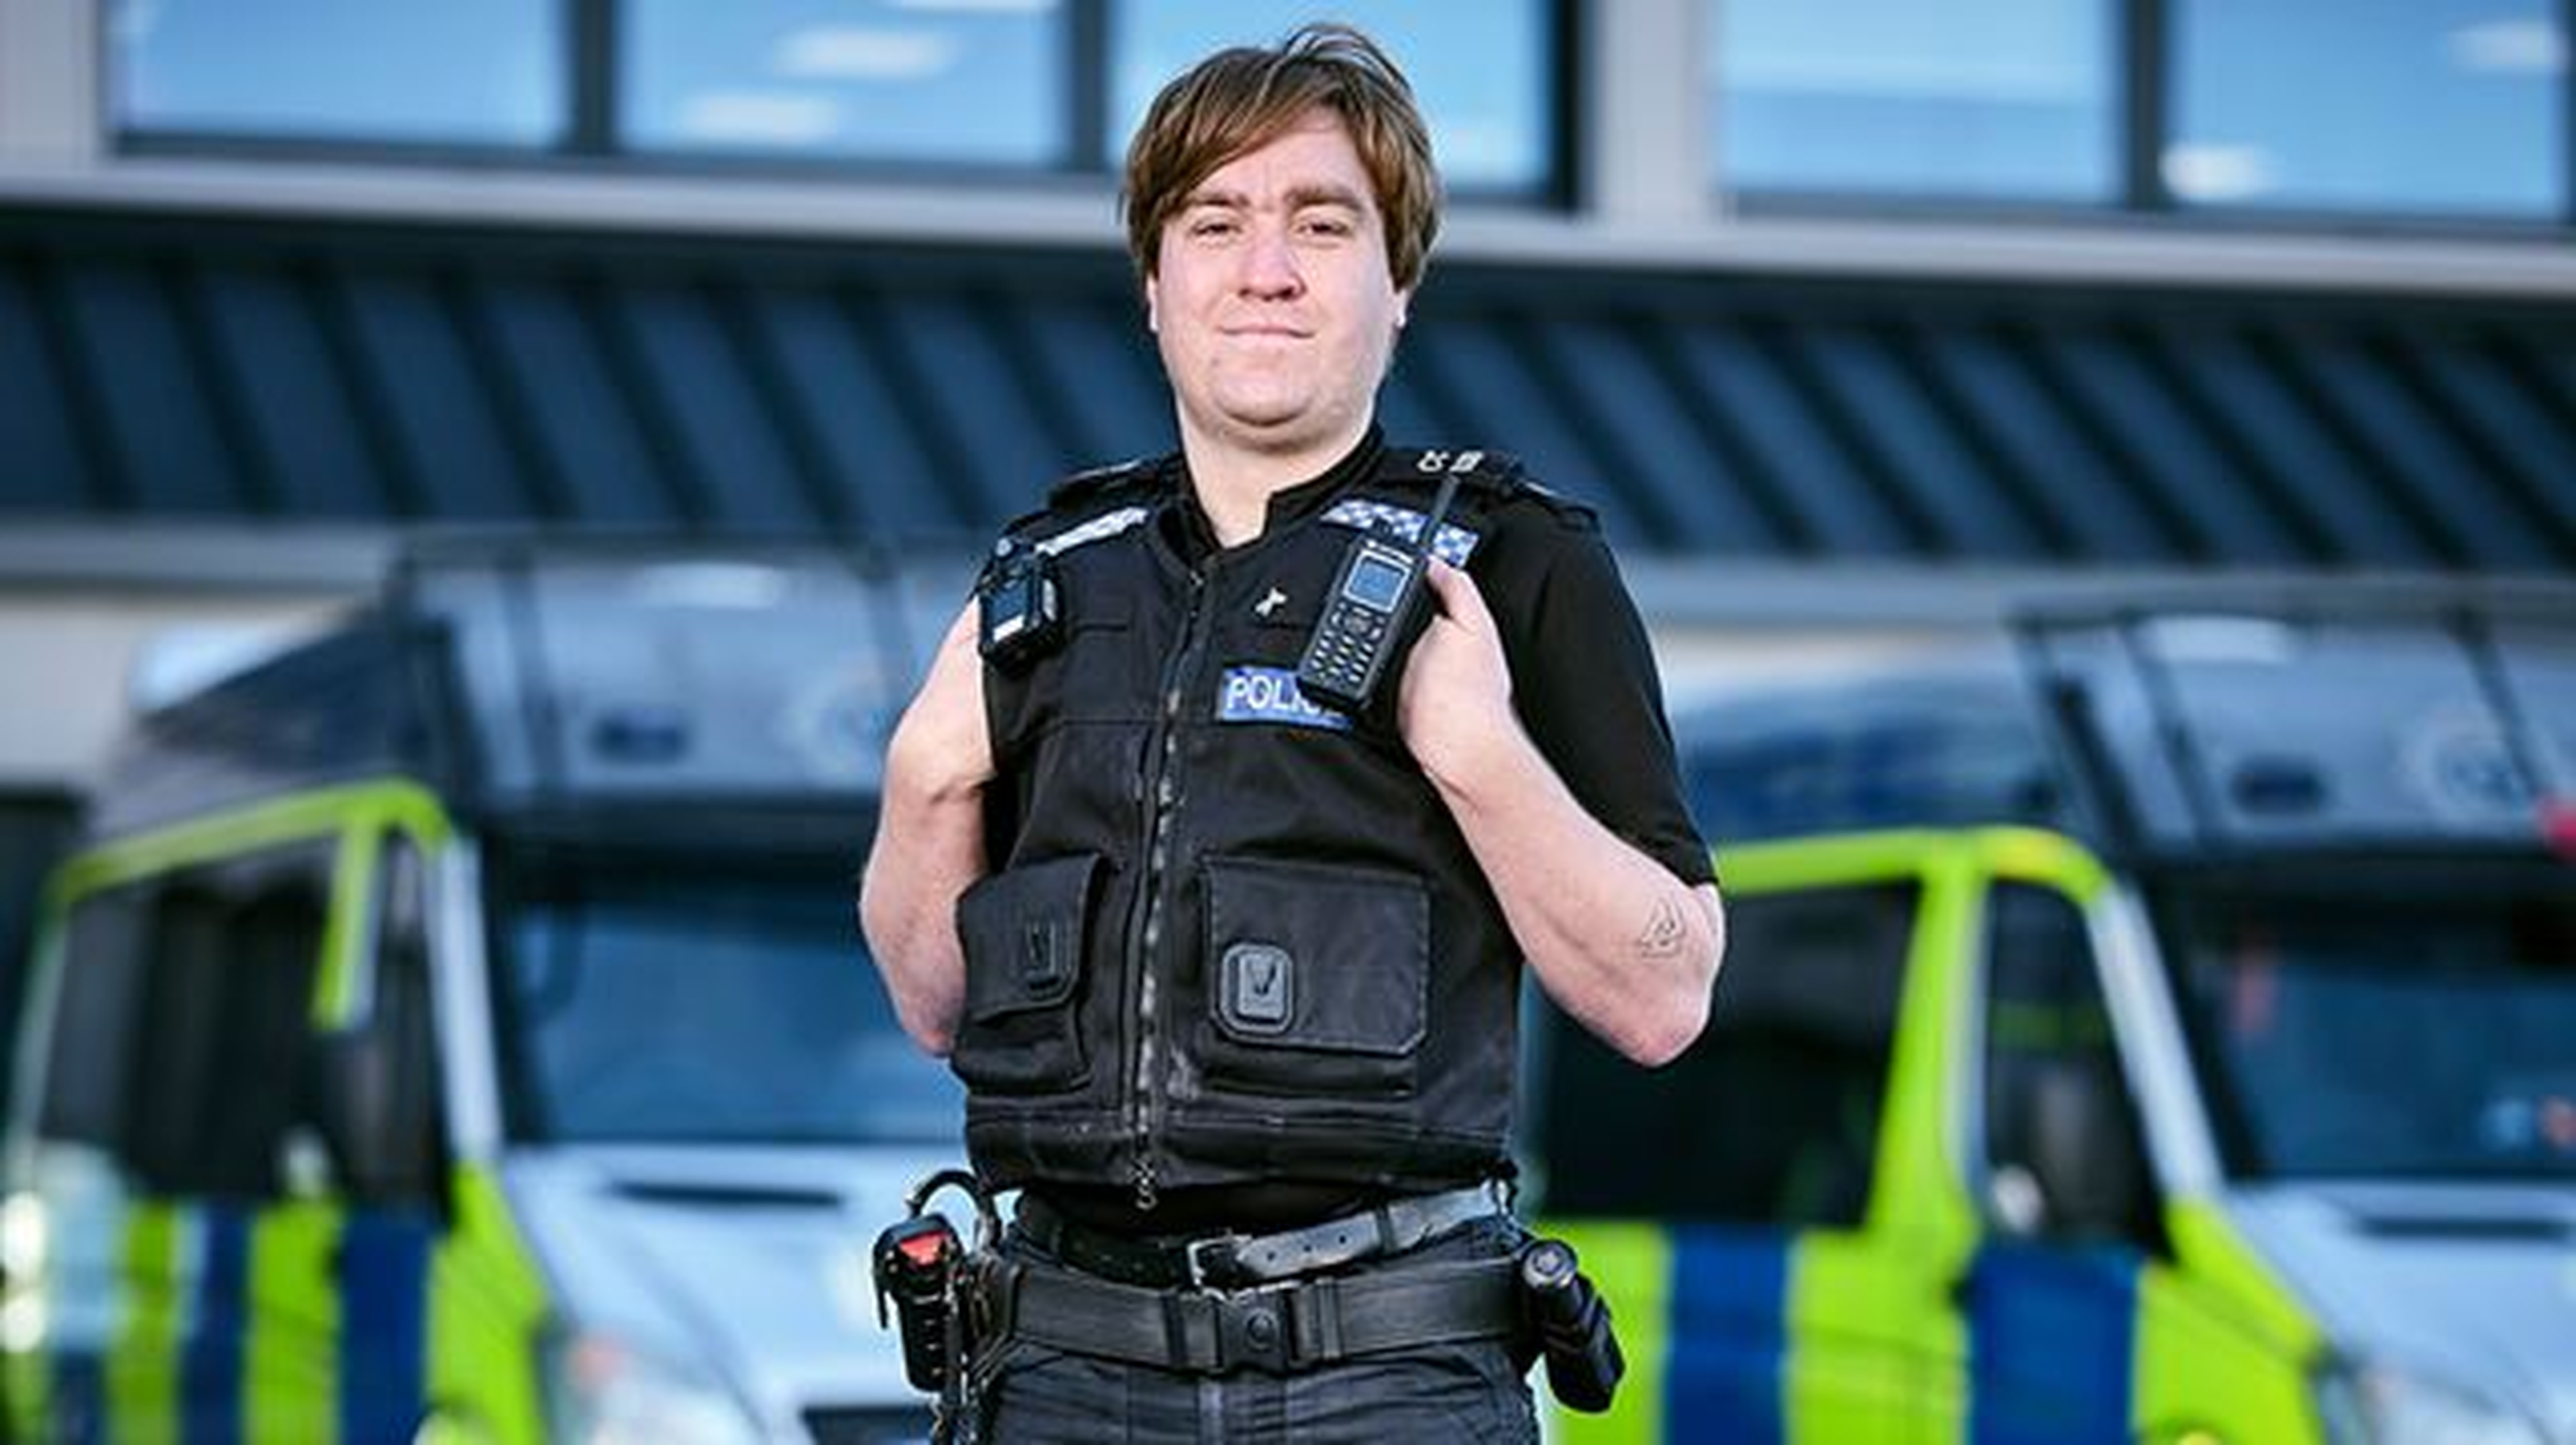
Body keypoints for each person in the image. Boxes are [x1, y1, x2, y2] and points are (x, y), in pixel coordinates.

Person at [860, 22, 1724, 1440]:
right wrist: (927, 779)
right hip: (1064, 1366)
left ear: (1400, 285)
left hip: (1385, 1373)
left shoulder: (1515, 564)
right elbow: (932, 1006)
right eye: (1216, 223)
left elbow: (1667, 994)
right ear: (1155, 284)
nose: (1266, 268)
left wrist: (1479, 757)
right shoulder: (1047, 579)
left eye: (1322, 224)